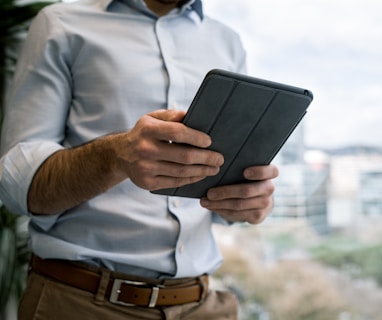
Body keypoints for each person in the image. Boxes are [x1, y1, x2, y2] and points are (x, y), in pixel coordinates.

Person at [0, 0, 279, 319]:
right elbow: (17, 187)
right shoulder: (60, 23)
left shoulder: (226, 41)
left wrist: (250, 199)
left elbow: (226, 180)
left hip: (204, 305)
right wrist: (117, 156)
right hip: (81, 304)